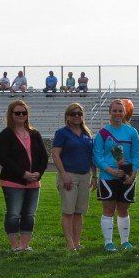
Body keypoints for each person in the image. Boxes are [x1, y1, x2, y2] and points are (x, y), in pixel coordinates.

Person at [0, 100, 48, 252]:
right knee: (13, 214)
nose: (21, 115)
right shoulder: (5, 135)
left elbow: (43, 157)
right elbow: (4, 159)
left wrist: (38, 173)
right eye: (17, 113)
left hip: (34, 182)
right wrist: (23, 174)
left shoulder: (34, 134)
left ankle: (25, 245)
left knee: (29, 214)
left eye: (24, 113)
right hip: (13, 182)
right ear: (11, 115)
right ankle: (14, 246)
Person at [93, 99, 139, 251]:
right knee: (108, 210)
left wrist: (132, 174)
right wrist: (111, 170)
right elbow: (97, 157)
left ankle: (125, 241)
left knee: (123, 210)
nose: (118, 113)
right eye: (115, 110)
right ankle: (108, 242)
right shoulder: (103, 133)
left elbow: (136, 155)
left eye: (120, 111)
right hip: (108, 177)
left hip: (127, 178)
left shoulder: (132, 132)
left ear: (125, 112)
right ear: (110, 112)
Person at [51, 103, 95, 251]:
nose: (77, 116)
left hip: (85, 175)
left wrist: (94, 175)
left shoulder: (87, 133)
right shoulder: (62, 133)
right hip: (69, 175)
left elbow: (91, 157)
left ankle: (77, 242)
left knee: (79, 212)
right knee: (68, 211)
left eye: (79, 113)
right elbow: (55, 155)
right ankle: (70, 244)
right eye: (73, 113)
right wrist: (64, 175)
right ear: (67, 116)